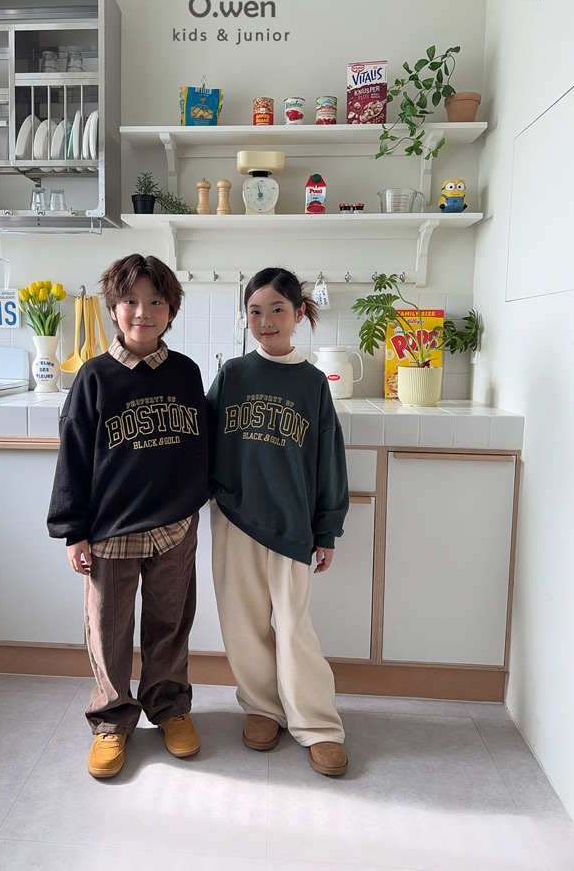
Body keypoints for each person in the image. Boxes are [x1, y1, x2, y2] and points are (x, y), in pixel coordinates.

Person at [47, 254, 208, 779]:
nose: (143, 312)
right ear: (113, 308)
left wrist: (196, 500)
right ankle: (112, 720)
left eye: (156, 301)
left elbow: (198, 446)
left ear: (171, 310)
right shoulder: (94, 377)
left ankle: (169, 707)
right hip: (110, 531)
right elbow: (73, 456)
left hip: (174, 527)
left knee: (170, 623)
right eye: (131, 301)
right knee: (109, 629)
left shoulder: (186, 372)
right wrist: (72, 530)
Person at [206, 267, 349, 776]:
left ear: (298, 314)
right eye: (255, 311)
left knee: (293, 628)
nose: (266, 321)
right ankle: (262, 708)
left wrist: (326, 529)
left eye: (277, 310)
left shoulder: (313, 383)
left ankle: (318, 725)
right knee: (242, 624)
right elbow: (202, 441)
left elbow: (329, 461)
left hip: (291, 525)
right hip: (234, 517)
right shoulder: (233, 374)